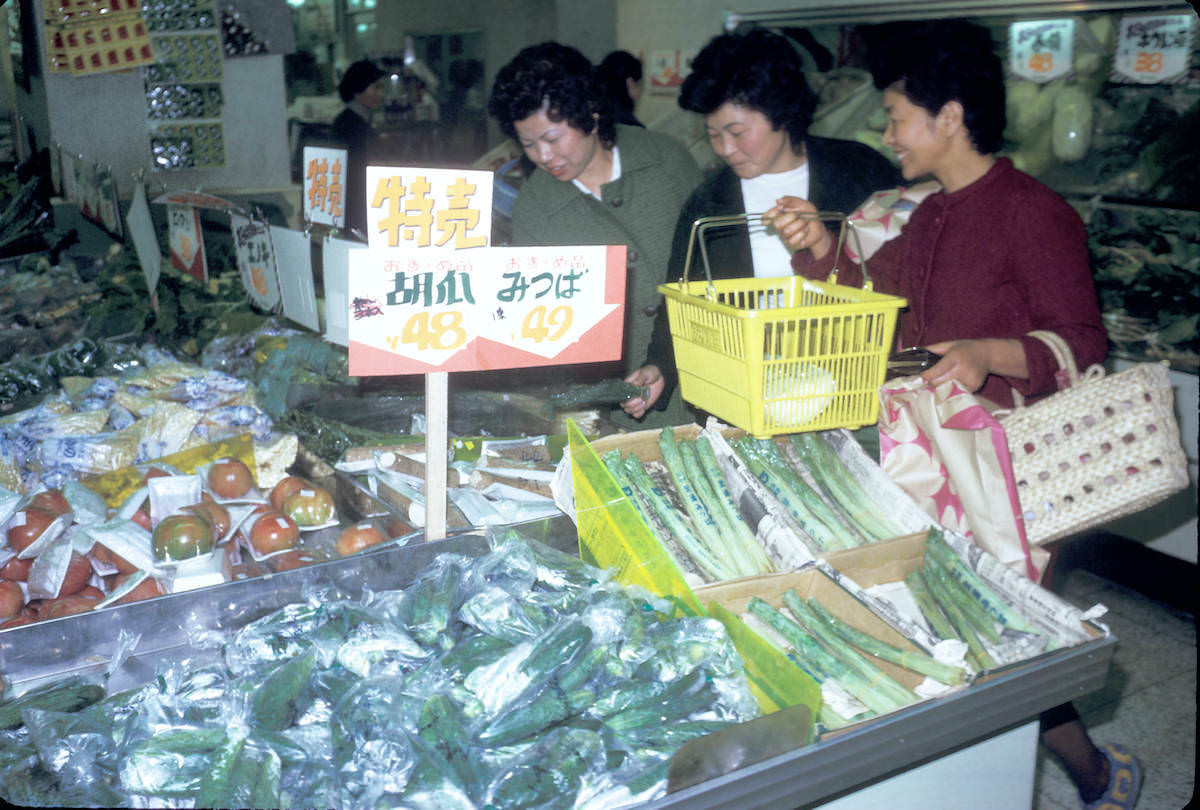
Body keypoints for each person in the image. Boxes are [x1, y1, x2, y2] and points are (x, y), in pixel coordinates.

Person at [768, 20, 1138, 810]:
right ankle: (1057, 777)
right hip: (936, 462)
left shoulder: (1035, 213)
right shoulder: (926, 212)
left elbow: (1081, 339)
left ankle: (1097, 776)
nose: (886, 132)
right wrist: (817, 245)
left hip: (1014, 469)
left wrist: (987, 352)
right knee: (976, 635)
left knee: (997, 640)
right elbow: (880, 307)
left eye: (897, 115)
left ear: (951, 117)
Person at [622, 28, 901, 420]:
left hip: (854, 394)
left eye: (737, 133)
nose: (725, 149)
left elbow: (901, 280)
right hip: (748, 400)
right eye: (713, 135)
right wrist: (660, 367)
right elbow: (683, 301)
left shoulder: (861, 173)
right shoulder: (709, 204)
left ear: (782, 112)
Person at [488, 41, 703, 427]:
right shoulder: (535, 206)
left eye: (552, 139)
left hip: (699, 387)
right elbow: (538, 328)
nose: (542, 156)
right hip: (610, 413)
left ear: (590, 113)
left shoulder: (668, 163)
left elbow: (709, 272)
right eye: (527, 143)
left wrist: (666, 362)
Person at [332, 59, 387, 238]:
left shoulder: (356, 120)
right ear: (357, 90)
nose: (381, 94)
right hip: (355, 208)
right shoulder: (350, 125)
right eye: (375, 88)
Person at [596, 50, 644, 128]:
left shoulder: (592, 121)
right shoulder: (634, 128)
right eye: (641, 83)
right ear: (631, 83)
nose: (642, 90)